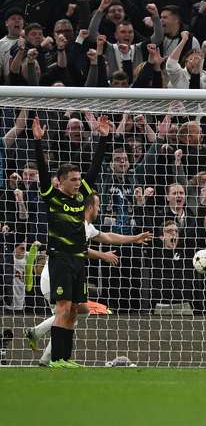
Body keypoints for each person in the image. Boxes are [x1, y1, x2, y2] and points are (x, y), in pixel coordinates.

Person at [26, 193, 149, 366]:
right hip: (54, 276)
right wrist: (103, 256)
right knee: (65, 315)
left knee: (79, 311)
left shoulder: (88, 226)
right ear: (90, 207)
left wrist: (134, 238)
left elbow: (108, 237)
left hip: (62, 276)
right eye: (98, 205)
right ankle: (47, 356)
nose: (100, 208)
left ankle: (39, 339)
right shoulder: (76, 224)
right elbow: (80, 248)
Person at [31, 115, 111, 367]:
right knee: (63, 308)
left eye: (79, 179)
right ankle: (56, 359)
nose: (78, 183)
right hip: (61, 259)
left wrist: (103, 138)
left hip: (78, 260)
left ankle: (66, 358)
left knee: (75, 309)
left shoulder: (80, 199)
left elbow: (95, 169)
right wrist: (37, 142)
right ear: (61, 181)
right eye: (73, 180)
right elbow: (43, 172)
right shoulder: (51, 196)